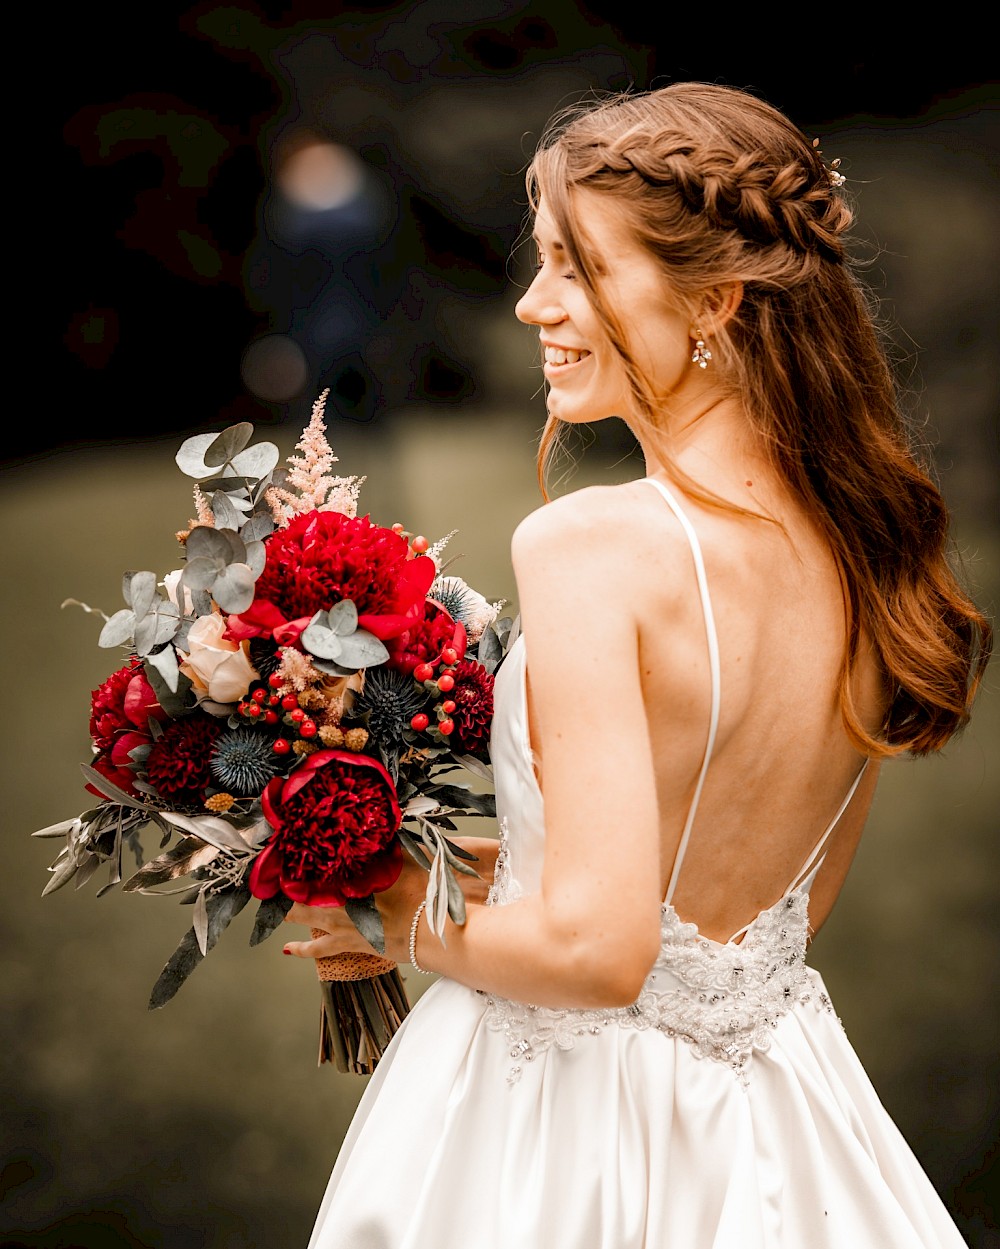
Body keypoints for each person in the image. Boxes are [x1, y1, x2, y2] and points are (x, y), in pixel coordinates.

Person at [282, 82, 991, 1248]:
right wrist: (475, 861)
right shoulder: (870, 553)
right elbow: (753, 905)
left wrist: (392, 906)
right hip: (775, 1122)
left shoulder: (594, 548)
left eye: (577, 268)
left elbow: (602, 953)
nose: (531, 303)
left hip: (558, 1139)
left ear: (713, 300)